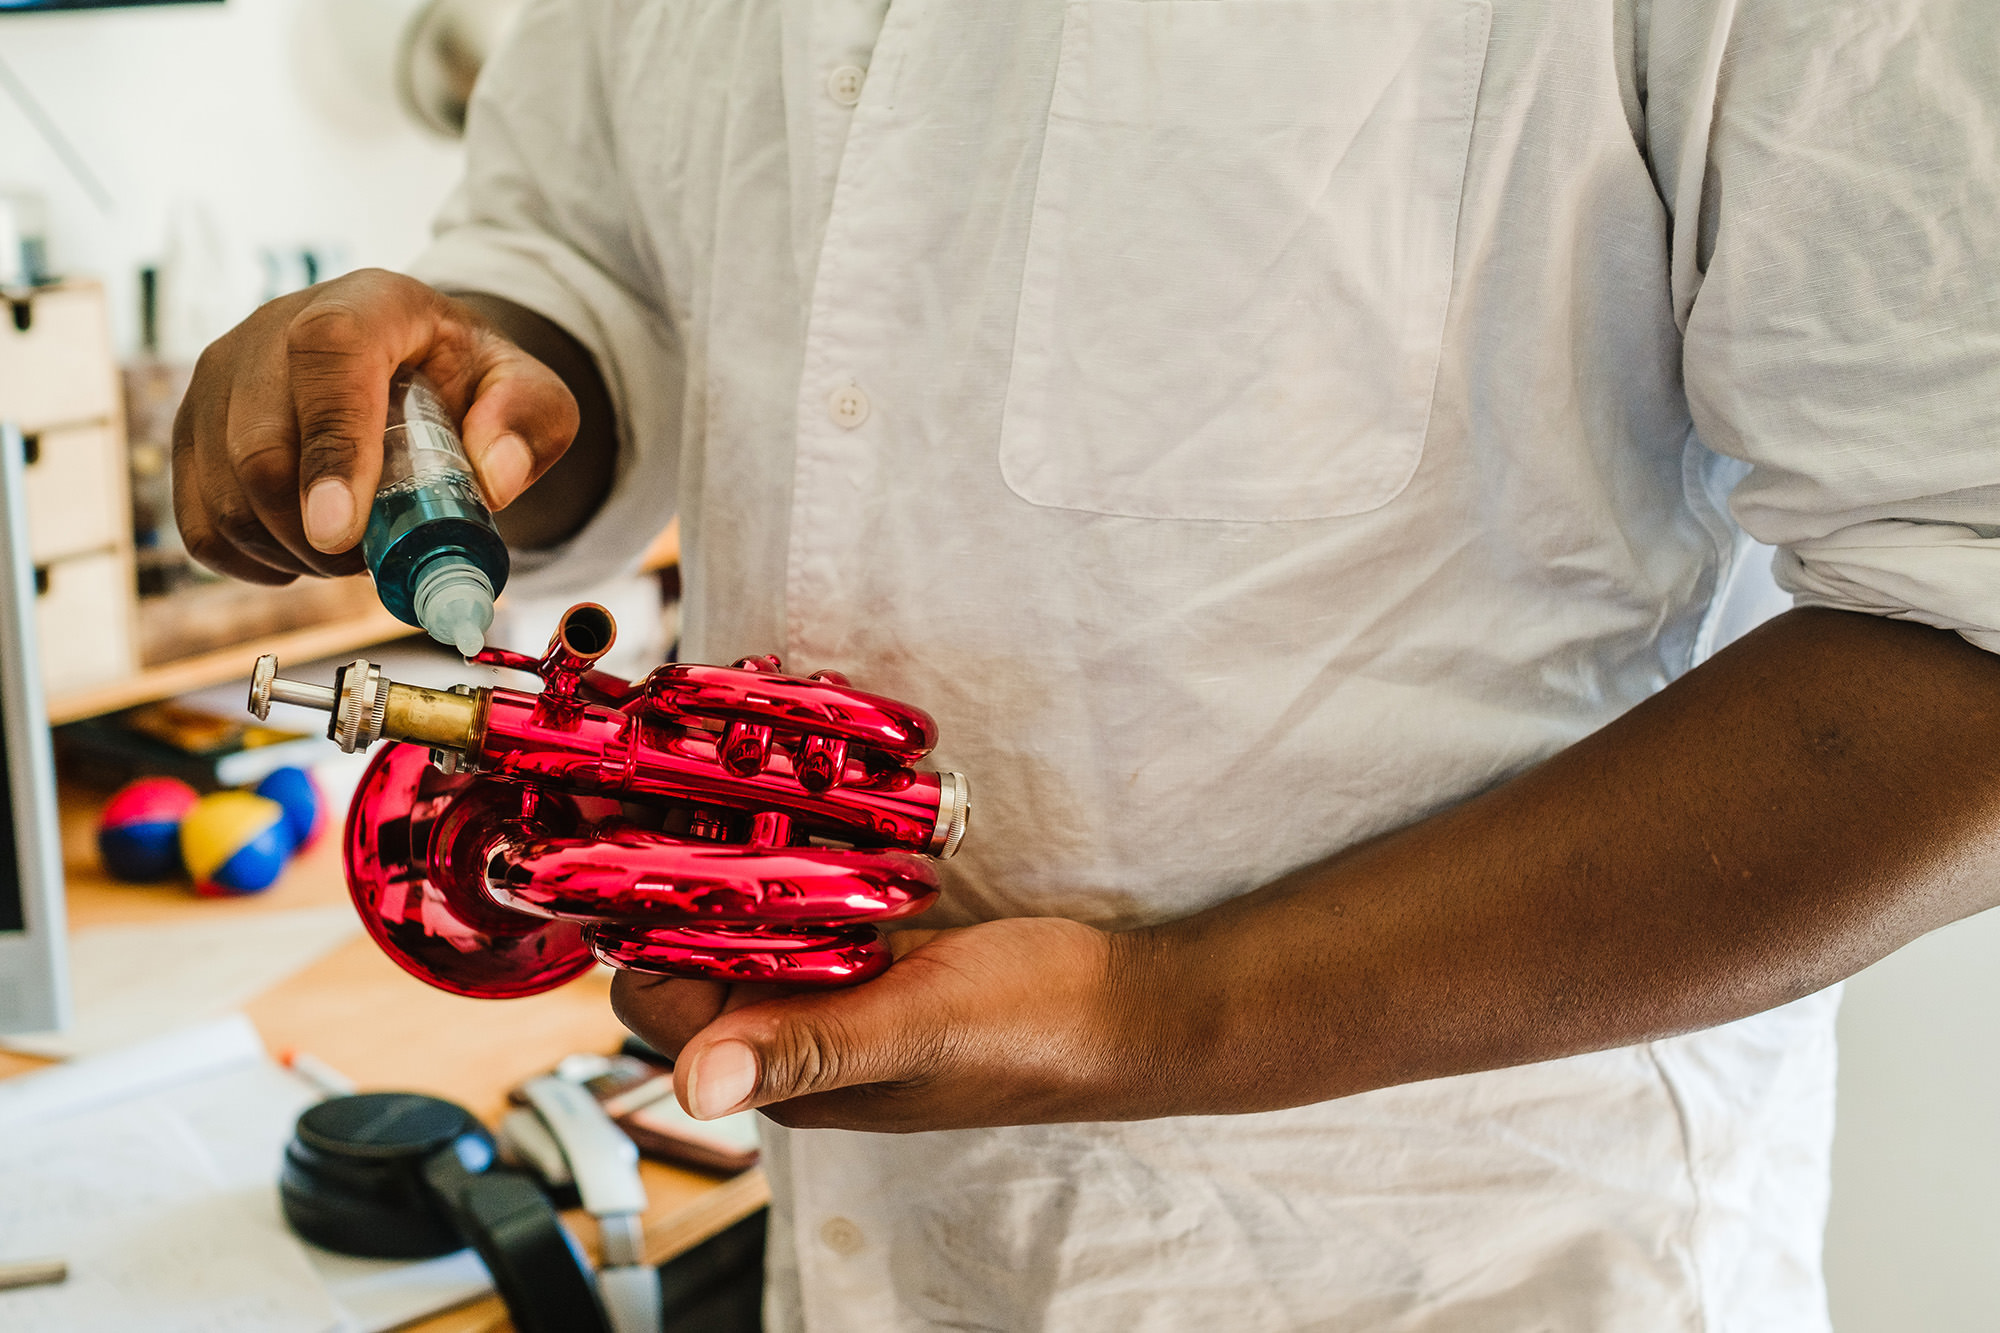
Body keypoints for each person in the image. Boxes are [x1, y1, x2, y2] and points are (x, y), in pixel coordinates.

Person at [174, 0, 2000, 1327]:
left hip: (1454, 1266)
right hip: (866, 1242)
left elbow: (1968, 626)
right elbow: (589, 259)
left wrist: (1158, 1013)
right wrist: (460, 379)